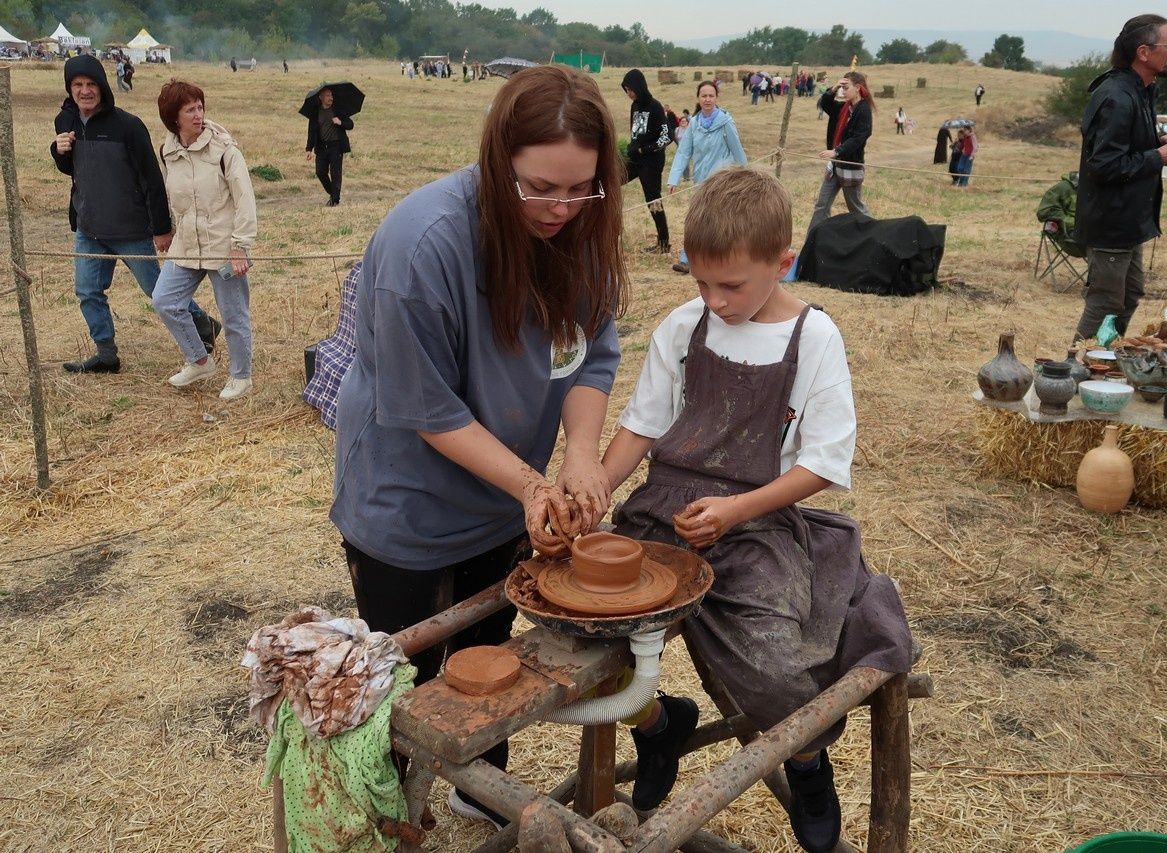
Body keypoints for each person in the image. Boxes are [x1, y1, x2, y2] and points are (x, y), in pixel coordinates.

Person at [330, 64, 627, 829]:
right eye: (540, 187)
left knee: (492, 649)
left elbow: (589, 354)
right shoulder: (421, 244)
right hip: (409, 495)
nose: (561, 208)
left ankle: (477, 787)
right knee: (410, 674)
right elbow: (426, 407)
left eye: (579, 188)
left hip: (504, 489)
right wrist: (532, 485)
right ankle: (391, 810)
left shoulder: (581, 227)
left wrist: (583, 453)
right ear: (498, 158)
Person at [601, 167, 912, 852]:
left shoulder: (813, 338)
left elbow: (824, 464)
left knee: (777, 664)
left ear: (783, 260)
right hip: (664, 510)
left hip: (760, 517)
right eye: (700, 282)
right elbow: (642, 427)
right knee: (595, 633)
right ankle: (658, 725)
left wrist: (738, 510)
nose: (713, 299)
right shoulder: (684, 326)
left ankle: (805, 762)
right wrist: (596, 485)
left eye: (731, 285)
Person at [50, 55, 218, 374]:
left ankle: (204, 324)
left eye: (91, 84)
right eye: (77, 85)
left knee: (158, 291)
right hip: (89, 228)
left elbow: (151, 179)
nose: (85, 91)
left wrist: (162, 228)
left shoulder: (127, 126)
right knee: (87, 291)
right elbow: (69, 169)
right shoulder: (65, 122)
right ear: (69, 88)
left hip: (131, 230)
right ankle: (106, 354)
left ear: (102, 86)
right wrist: (57, 151)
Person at [1073, 14, 1167, 342]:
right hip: (1110, 222)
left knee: (1129, 295)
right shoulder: (1117, 97)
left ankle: (1103, 361)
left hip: (1129, 222)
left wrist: (1158, 143)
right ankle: (1072, 370)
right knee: (1106, 301)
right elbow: (1104, 165)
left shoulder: (1141, 90)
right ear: (1143, 52)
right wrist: (1157, 157)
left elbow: (1126, 146)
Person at [151, 79, 258, 401]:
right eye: (189, 110)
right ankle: (199, 360)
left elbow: (245, 200)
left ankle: (242, 377)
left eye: (200, 107)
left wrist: (240, 246)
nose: (198, 115)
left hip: (226, 249)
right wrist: (169, 230)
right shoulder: (167, 151)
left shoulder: (226, 151)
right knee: (164, 300)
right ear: (173, 118)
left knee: (234, 314)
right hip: (186, 245)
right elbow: (176, 197)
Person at [667, 81, 748, 274]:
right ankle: (687, 259)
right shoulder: (694, 124)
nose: (707, 99)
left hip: (722, 181)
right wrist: (673, 178)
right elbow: (683, 152)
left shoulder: (726, 122)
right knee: (695, 220)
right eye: (704, 96)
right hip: (701, 181)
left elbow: (737, 149)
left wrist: (745, 174)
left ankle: (726, 259)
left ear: (716, 98)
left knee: (722, 221)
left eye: (711, 96)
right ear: (698, 98)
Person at [808, 71, 874, 233]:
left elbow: (859, 137)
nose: (843, 91)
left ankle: (875, 234)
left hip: (850, 166)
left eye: (846, 87)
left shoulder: (863, 110)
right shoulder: (843, 108)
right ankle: (813, 241)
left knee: (856, 208)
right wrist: (833, 88)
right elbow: (825, 103)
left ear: (858, 88)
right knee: (821, 205)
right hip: (835, 166)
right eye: (842, 87)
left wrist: (837, 151)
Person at [622, 68, 671, 254]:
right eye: (626, 90)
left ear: (639, 86)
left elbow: (666, 137)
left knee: (653, 200)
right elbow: (636, 132)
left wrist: (644, 149)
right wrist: (632, 147)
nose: (629, 94)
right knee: (612, 179)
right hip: (635, 160)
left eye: (630, 89)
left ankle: (664, 243)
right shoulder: (634, 105)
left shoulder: (655, 106)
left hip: (651, 162)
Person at [305, 86, 355, 207]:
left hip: (336, 146)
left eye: (331, 95)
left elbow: (351, 124)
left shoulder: (338, 110)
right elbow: (311, 132)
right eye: (327, 95)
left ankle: (335, 200)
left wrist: (340, 122)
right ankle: (333, 194)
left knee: (335, 173)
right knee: (320, 171)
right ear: (321, 97)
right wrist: (308, 149)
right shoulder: (315, 112)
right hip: (321, 147)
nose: (330, 98)